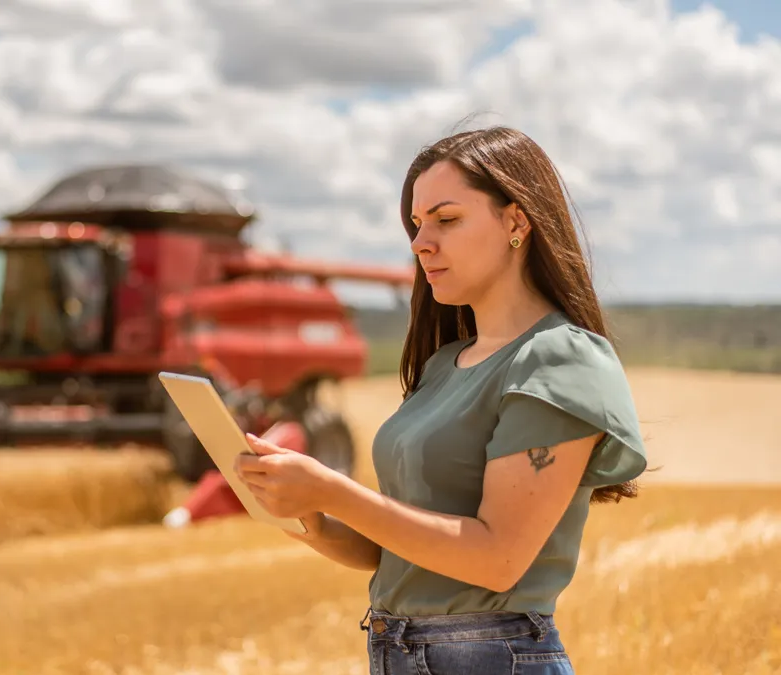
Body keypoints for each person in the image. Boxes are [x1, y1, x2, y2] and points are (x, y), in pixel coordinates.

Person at [234, 125, 649, 674]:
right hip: (396, 650)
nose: (420, 242)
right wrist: (308, 515)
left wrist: (333, 489)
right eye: (416, 224)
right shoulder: (444, 364)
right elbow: (393, 553)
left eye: (446, 219)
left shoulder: (557, 359)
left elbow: (497, 559)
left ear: (515, 222)